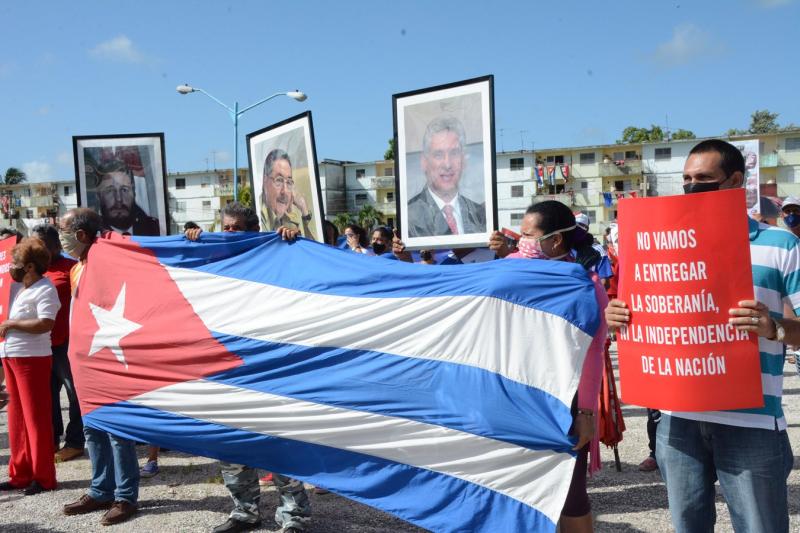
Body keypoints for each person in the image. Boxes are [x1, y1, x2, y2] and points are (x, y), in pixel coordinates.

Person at [606, 139, 799, 533]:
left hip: (753, 422)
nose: (693, 187)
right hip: (678, 421)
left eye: (704, 179)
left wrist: (773, 327)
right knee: (687, 525)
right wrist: (619, 316)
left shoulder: (780, 245)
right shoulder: (659, 247)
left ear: (735, 182)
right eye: (687, 179)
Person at [186, 202, 311, 533]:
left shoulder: (274, 253)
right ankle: (244, 511)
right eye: (224, 227)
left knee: (282, 442)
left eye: (236, 228)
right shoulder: (212, 257)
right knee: (232, 444)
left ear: (254, 231)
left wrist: (291, 239)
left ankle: (293, 515)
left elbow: (309, 270)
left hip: (271, 368)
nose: (229, 233)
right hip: (228, 368)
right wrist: (192, 240)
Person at [504, 201, 606, 533]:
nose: (522, 241)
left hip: (565, 401)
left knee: (569, 493)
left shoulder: (585, 284)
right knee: (518, 489)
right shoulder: (508, 267)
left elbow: (592, 353)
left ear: (556, 240)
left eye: (528, 235)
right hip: (516, 397)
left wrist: (587, 413)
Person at [61, 208, 140, 526]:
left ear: (81, 235)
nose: (61, 236)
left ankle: (125, 496)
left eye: (64, 230)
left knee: (119, 430)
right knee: (93, 429)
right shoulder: (76, 268)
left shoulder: (114, 258)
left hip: (115, 357)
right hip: (86, 359)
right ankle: (100, 489)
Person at [0, 238, 60, 495]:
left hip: (32, 358)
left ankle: (43, 477)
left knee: (36, 418)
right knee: (16, 419)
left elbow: (46, 323)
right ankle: (20, 474)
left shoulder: (46, 289)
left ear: (31, 267)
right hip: (10, 355)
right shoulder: (16, 288)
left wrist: (12, 324)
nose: (13, 267)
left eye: (18, 263)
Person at [31, 224, 83, 462]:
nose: (36, 248)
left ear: (56, 245)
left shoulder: (72, 269)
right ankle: (52, 440)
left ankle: (75, 442)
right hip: (41, 345)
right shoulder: (32, 272)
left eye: (41, 244)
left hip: (68, 345)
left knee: (75, 395)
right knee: (48, 395)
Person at [407, 116, 486, 237]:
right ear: (424, 162)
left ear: (463, 160)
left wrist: (501, 251)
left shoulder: (480, 214)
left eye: (454, 153)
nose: (447, 164)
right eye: (438, 155)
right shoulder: (409, 215)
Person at [93, 159, 160, 236]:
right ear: (98, 196)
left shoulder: (155, 229)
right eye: (110, 191)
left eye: (124, 190)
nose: (119, 199)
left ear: (134, 193)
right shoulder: (92, 236)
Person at [259, 149, 315, 240]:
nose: (284, 191)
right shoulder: (256, 218)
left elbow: (313, 249)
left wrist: (305, 212)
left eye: (289, 182)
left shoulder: (290, 223)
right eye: (279, 180)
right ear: (265, 181)